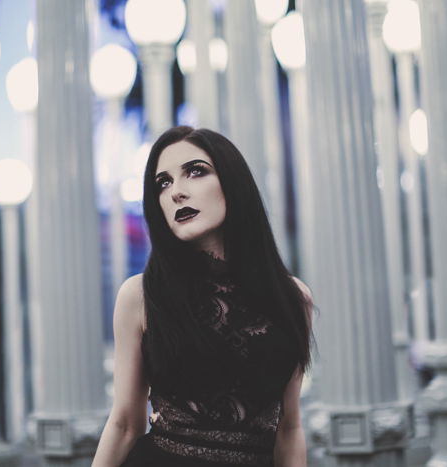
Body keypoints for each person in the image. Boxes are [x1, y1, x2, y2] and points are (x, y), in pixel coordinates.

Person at [92, 126, 314, 467]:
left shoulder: (293, 298)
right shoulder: (140, 295)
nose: (176, 192)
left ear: (232, 183)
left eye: (195, 172)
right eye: (162, 183)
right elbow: (124, 423)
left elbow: (289, 428)